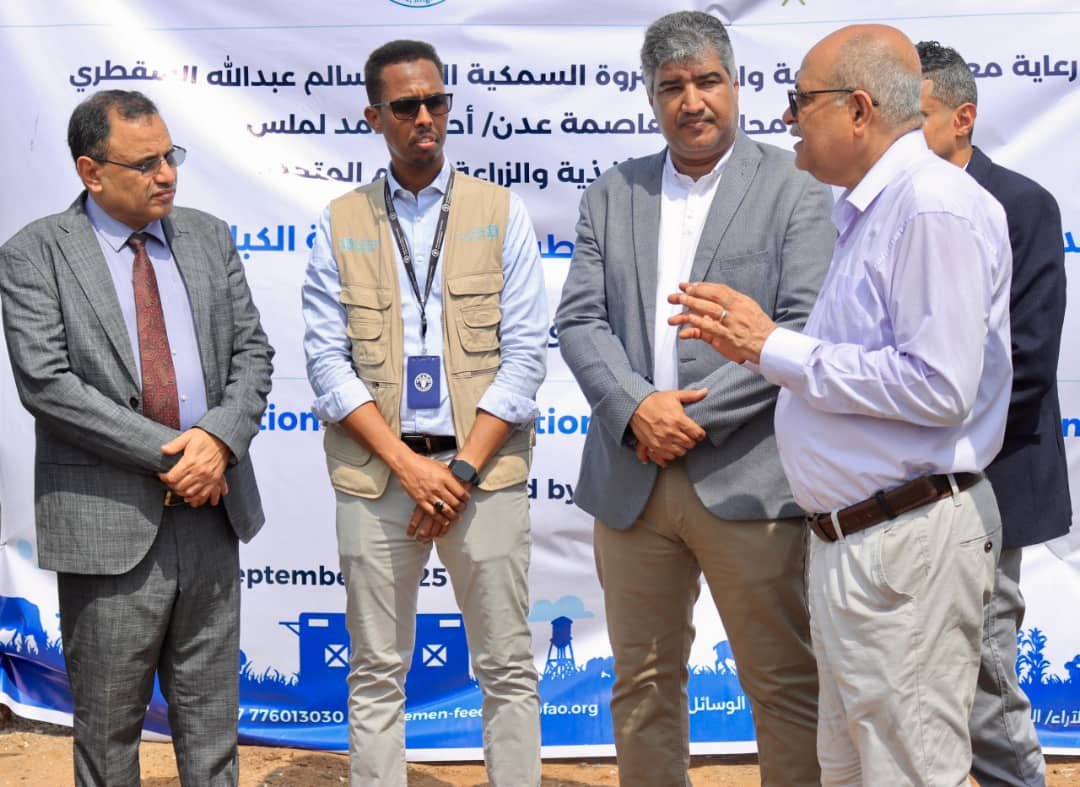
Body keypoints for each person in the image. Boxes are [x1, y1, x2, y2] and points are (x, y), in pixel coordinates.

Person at [669, 24, 1013, 785]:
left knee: (907, 771)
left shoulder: (930, 208)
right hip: (858, 543)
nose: (786, 116)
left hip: (903, 541)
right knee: (854, 770)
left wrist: (773, 347)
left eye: (800, 100)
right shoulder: (873, 210)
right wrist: (764, 346)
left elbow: (938, 386)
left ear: (858, 109)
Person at [554, 11, 835, 786]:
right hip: (632, 476)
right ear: (651, 96)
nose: (692, 101)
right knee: (641, 685)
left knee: (784, 684)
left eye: (708, 81)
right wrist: (637, 408)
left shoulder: (794, 188)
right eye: (672, 86)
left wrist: (686, 415)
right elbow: (579, 320)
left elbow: (803, 326)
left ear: (736, 84)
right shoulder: (613, 193)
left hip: (750, 479)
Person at [0, 90, 273, 786]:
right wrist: (180, 455)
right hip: (109, 526)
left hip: (212, 513)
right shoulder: (35, 253)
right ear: (91, 172)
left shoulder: (208, 237)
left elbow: (252, 355)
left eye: (170, 156)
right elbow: (48, 384)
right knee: (108, 730)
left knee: (213, 727)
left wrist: (218, 442)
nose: (167, 174)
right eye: (146, 163)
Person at [301, 39, 547, 787]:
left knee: (507, 665)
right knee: (376, 669)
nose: (425, 118)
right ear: (374, 116)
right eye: (406, 106)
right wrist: (409, 467)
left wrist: (459, 471)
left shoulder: (500, 211)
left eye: (436, 101)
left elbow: (526, 357)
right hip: (379, 477)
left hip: (483, 474)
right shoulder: (339, 220)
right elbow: (327, 365)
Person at [918, 39, 1069, 787]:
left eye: (914, 116)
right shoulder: (878, 206)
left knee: (982, 674)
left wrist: (924, 440)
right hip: (893, 491)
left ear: (963, 118)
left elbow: (1029, 360)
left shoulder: (1020, 204)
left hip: (990, 479)